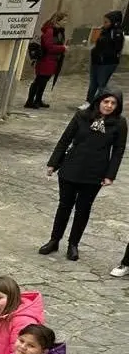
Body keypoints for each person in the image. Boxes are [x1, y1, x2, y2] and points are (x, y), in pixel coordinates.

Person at [41, 88, 126, 260]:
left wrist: (110, 175)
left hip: (95, 173)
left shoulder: (119, 123)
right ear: (98, 101)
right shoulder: (81, 116)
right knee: (64, 206)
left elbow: (118, 150)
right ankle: (54, 240)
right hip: (71, 167)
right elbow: (65, 139)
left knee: (83, 209)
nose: (109, 106)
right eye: (106, 101)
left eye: (113, 103)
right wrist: (53, 163)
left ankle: (73, 244)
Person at [25, 12, 68, 109]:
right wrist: (62, 48)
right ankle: (30, 101)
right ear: (58, 21)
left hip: (52, 60)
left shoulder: (58, 31)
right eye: (64, 20)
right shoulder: (50, 31)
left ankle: (38, 100)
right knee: (39, 81)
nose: (66, 22)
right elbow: (49, 47)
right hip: (45, 60)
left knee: (43, 82)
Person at [88, 11, 125, 106]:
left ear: (113, 22)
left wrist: (104, 53)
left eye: (106, 22)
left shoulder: (116, 33)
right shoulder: (103, 31)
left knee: (101, 84)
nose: (104, 24)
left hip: (107, 63)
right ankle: (88, 102)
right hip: (96, 61)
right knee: (93, 84)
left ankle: (96, 103)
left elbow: (117, 48)